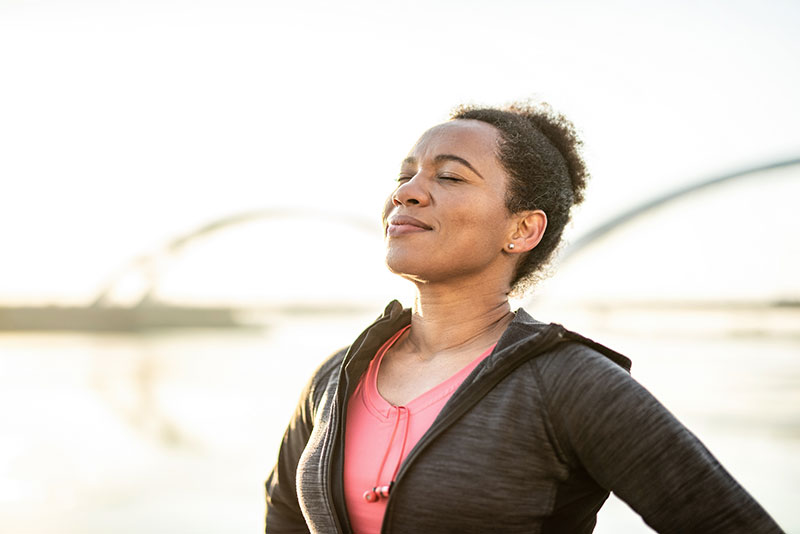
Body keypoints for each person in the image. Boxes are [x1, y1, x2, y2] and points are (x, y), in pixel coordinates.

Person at [264, 102, 785, 533]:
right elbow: (284, 518)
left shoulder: (572, 383)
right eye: (405, 175)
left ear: (522, 230)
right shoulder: (336, 377)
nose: (406, 192)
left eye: (449, 176)